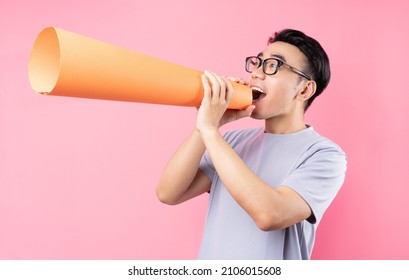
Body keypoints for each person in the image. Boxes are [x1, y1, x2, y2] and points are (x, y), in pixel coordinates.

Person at [156, 29, 347, 260]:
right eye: (258, 63)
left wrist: (210, 131)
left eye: (273, 65)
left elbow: (270, 215)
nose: (256, 74)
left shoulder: (324, 155)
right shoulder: (231, 142)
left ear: (305, 89)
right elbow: (169, 193)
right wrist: (206, 126)